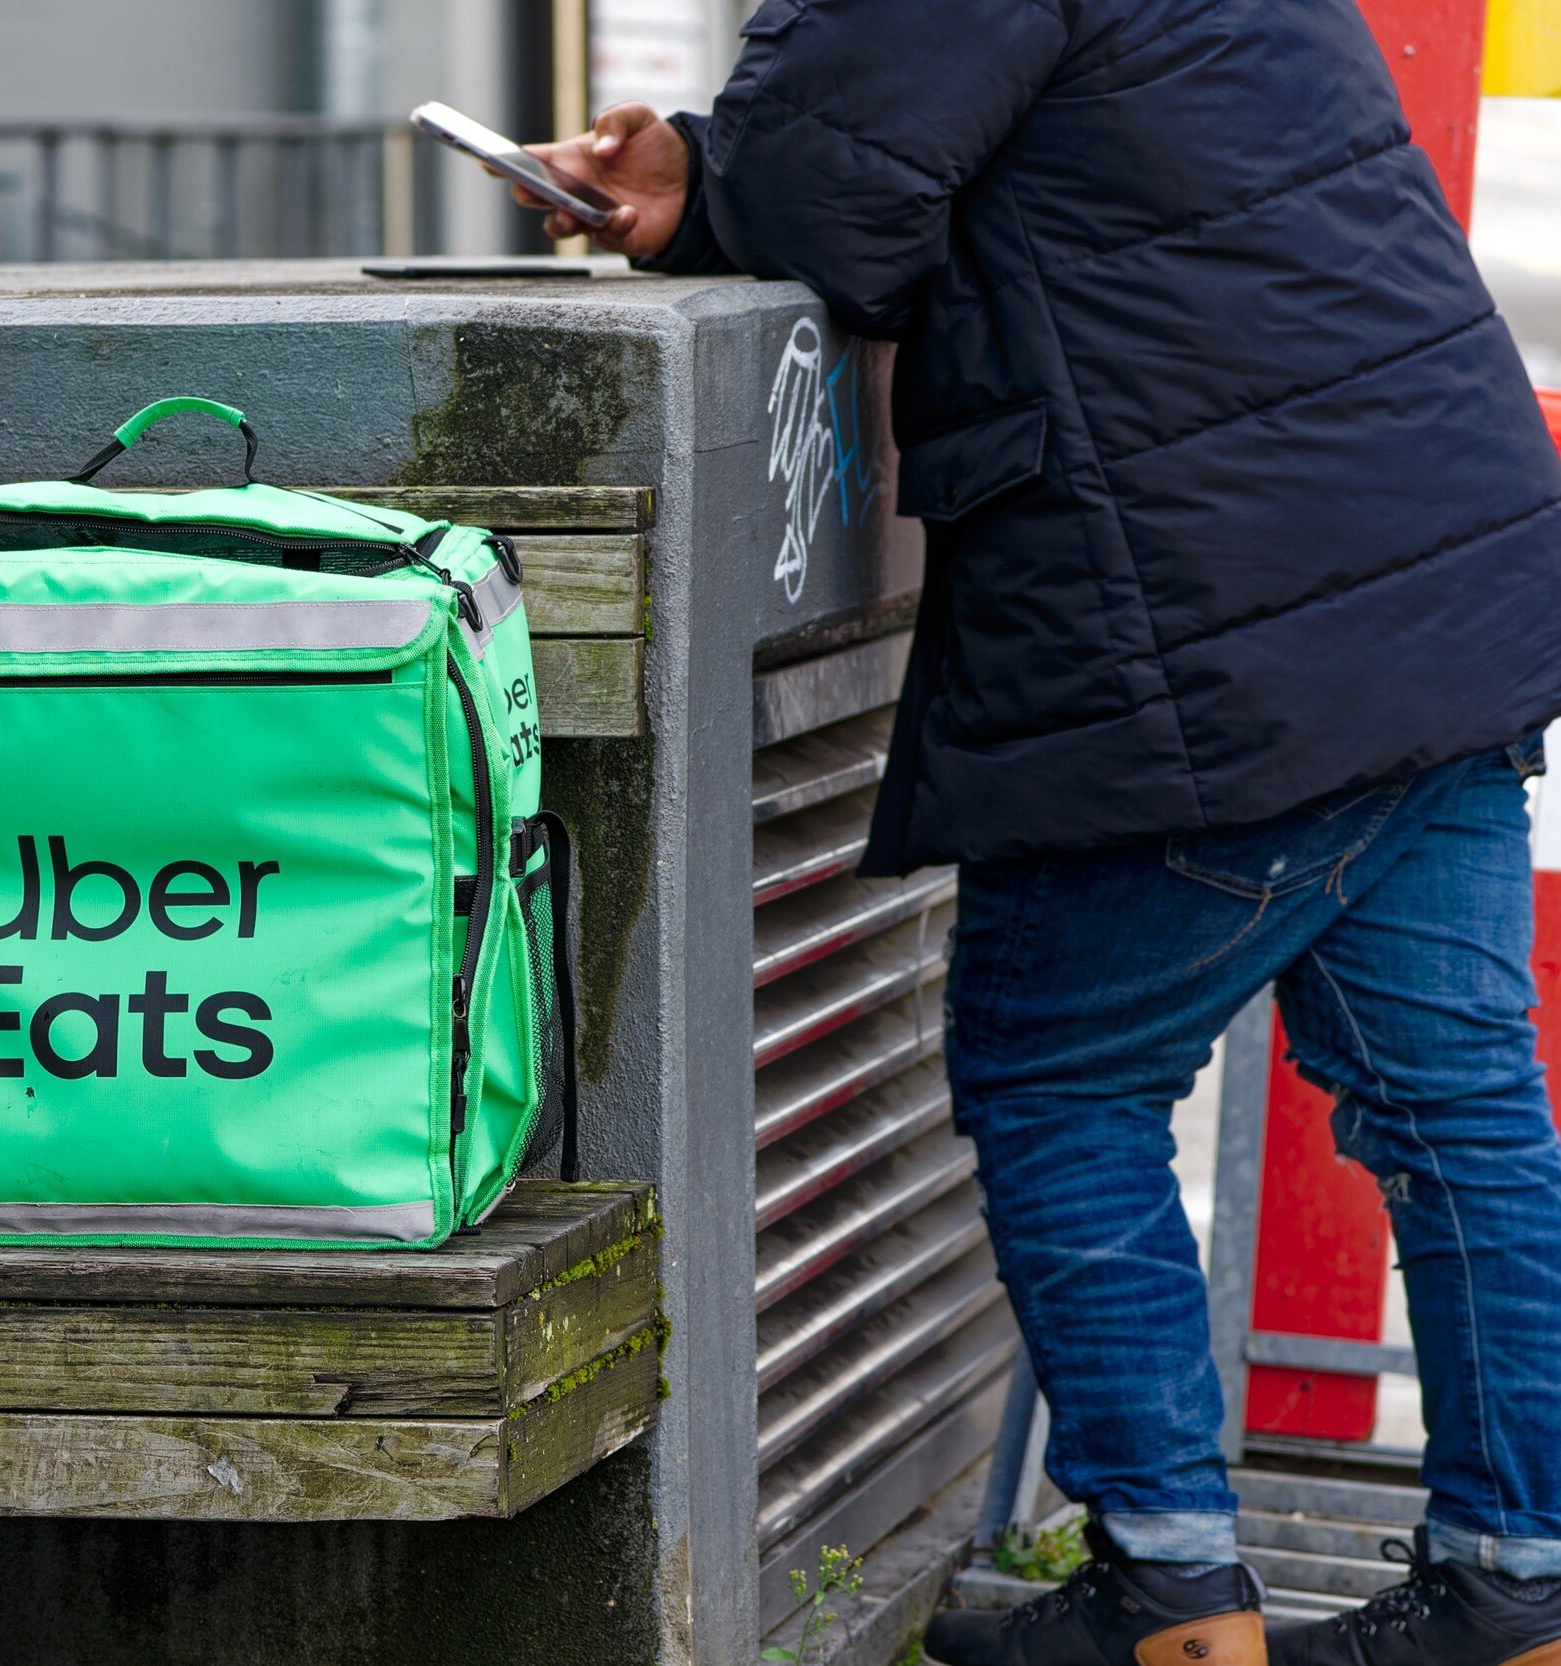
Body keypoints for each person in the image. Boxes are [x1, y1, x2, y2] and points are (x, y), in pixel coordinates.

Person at [526, 1, 1561, 1662]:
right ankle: (1522, 1587)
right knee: (1458, 1109)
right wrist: (707, 173)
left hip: (1209, 608)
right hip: (1430, 566)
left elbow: (831, 205)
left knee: (1058, 1076)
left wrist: (732, 178)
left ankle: (1171, 1587)